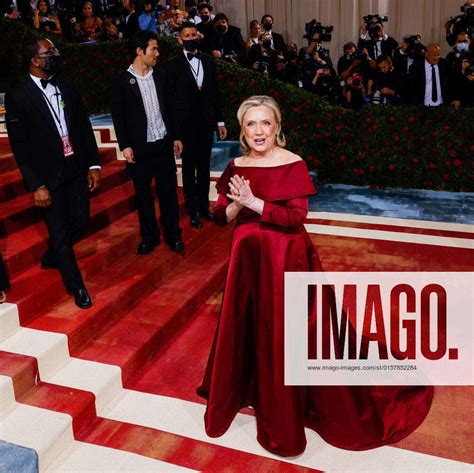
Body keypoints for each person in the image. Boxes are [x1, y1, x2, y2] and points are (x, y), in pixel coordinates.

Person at [197, 95, 434, 457]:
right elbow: (220, 216)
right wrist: (236, 204)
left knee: (287, 333)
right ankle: (249, 390)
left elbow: (295, 217)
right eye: (251, 124)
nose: (259, 131)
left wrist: (256, 203)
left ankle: (287, 407)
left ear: (277, 127)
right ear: (242, 131)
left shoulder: (293, 164)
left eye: (266, 123)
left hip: (287, 261)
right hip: (247, 262)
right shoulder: (237, 165)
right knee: (251, 327)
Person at [5, 38, 101, 309]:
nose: (56, 55)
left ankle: (52, 256)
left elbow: (83, 126)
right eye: (51, 52)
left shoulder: (65, 85)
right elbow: (20, 147)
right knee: (58, 232)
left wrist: (93, 164)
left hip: (76, 166)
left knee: (81, 221)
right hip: (48, 176)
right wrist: (36, 185)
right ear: (35, 60)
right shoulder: (18, 95)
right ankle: (77, 286)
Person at [110, 30, 184, 254]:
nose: (158, 53)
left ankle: (173, 235)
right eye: (154, 49)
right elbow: (119, 117)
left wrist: (176, 136)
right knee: (143, 197)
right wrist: (125, 145)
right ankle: (150, 237)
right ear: (139, 51)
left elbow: (171, 110)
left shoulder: (160, 77)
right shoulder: (121, 81)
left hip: (162, 145)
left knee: (169, 194)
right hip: (140, 149)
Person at [166, 22, 226, 228]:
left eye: (193, 34)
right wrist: (175, 134)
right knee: (189, 169)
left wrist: (220, 121)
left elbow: (215, 94)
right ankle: (192, 211)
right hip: (185, 126)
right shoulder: (172, 65)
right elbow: (170, 102)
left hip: (206, 124)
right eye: (186, 35)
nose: (190, 38)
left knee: (204, 167)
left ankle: (203, 207)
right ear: (179, 39)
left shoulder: (209, 62)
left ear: (198, 36)